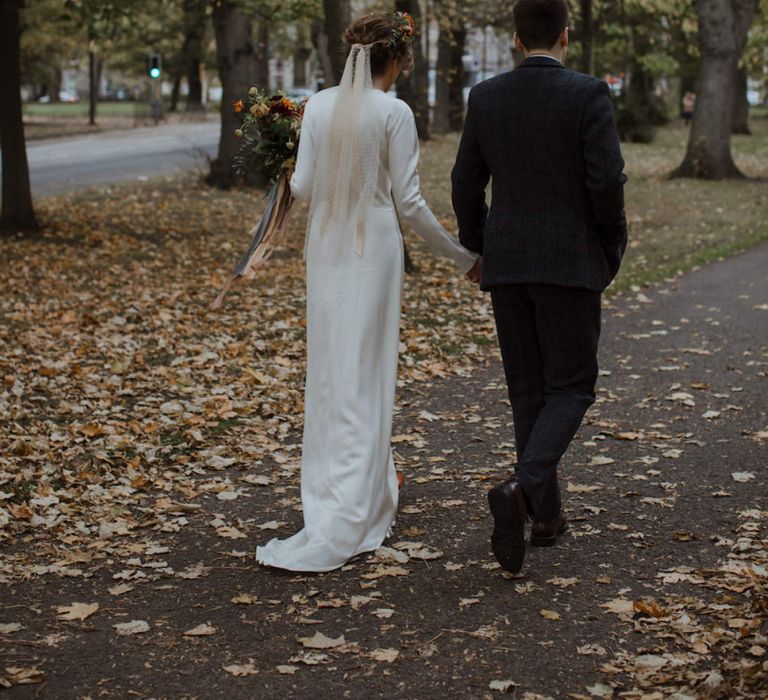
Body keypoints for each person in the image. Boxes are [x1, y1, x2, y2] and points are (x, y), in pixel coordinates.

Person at [256, 12, 479, 572]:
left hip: (325, 243)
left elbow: (303, 186)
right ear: (396, 59)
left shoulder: (319, 106)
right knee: (367, 367)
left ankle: (350, 493)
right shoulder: (394, 112)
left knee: (331, 368)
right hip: (373, 246)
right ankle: (356, 505)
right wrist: (461, 257)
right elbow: (408, 201)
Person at [451, 0, 628, 574]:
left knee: (529, 391)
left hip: (510, 263)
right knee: (572, 386)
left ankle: (545, 517)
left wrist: (482, 246)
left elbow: (464, 183)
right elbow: (606, 182)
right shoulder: (588, 94)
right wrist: (609, 248)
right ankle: (524, 488)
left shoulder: (487, 96)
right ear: (565, 35)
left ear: (516, 39)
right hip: (570, 262)